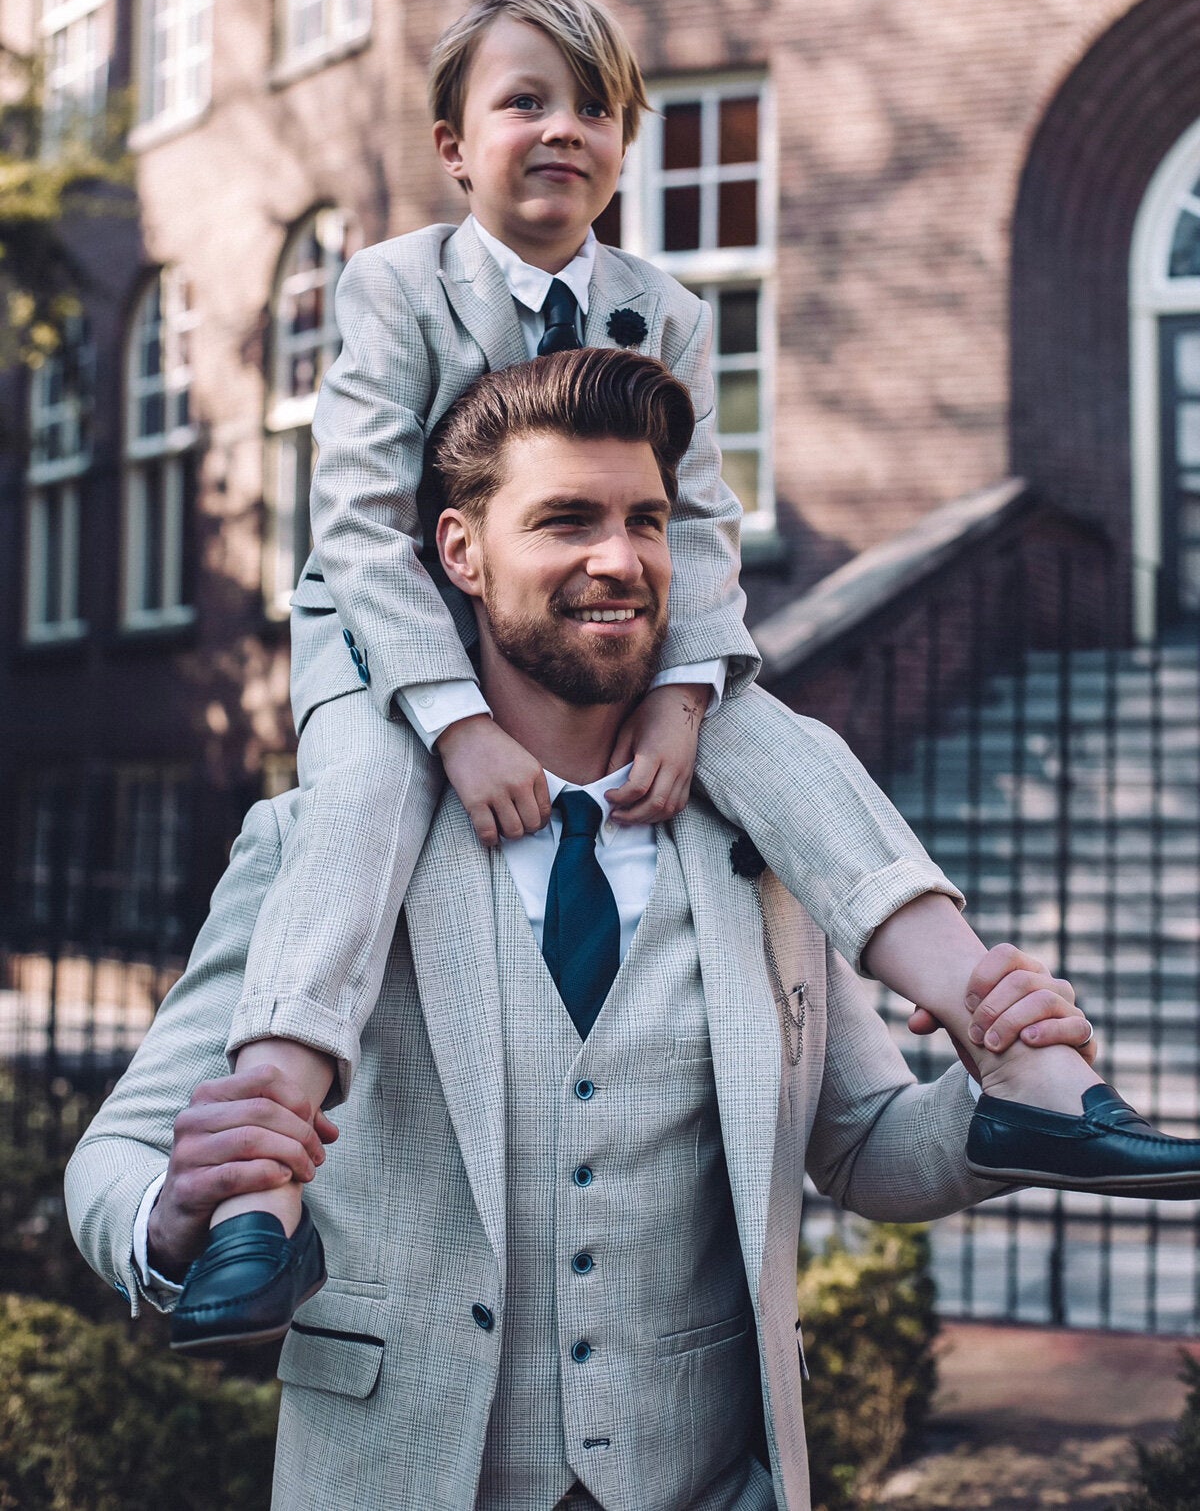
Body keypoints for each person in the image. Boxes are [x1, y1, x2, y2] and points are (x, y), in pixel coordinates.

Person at [189, 0, 1197, 1347]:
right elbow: (361, 529)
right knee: (358, 809)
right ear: (452, 145)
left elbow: (706, 525)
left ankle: (1019, 1054)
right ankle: (263, 1195)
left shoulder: (659, 305)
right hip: (392, 650)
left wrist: (684, 692)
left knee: (801, 753)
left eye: (595, 107)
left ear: (625, 144)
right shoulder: (391, 286)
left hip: (612, 651)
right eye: (524, 101)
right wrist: (450, 721)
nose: (563, 129)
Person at [67, 350, 1131, 1511]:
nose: (618, 560)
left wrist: (989, 1090)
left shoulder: (761, 847)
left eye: (646, 521)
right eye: (567, 519)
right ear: (461, 554)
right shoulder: (321, 845)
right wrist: (172, 1218)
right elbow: (110, 1161)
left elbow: (865, 1142)